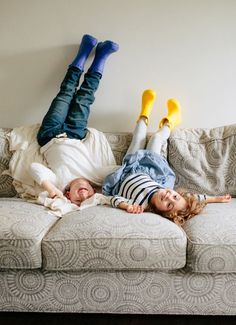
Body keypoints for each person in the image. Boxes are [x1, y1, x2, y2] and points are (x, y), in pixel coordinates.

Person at [102, 90, 232, 225]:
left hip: (127, 170)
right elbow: (193, 197)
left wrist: (127, 207)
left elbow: (114, 199)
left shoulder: (142, 205)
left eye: (169, 205)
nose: (168, 196)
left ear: (162, 212)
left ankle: (144, 114)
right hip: (151, 171)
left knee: (139, 138)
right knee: (156, 138)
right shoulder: (168, 192)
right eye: (175, 196)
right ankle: (170, 121)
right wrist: (216, 198)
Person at [30, 34, 119, 206]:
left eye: (79, 200)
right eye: (89, 197)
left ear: (69, 196)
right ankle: (101, 56)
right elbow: (120, 170)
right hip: (75, 133)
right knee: (84, 98)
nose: (84, 196)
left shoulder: (59, 183)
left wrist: (52, 190)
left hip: (49, 134)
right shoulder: (94, 175)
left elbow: (35, 168)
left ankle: (83, 52)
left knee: (65, 94)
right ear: (94, 190)